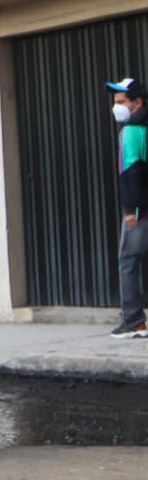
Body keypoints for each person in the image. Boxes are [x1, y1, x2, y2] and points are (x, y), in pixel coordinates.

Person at [106, 76, 148, 338]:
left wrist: (130, 211)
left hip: (140, 210)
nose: (116, 107)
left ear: (137, 103)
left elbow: (130, 172)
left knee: (128, 261)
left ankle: (133, 321)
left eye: (121, 101)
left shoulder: (131, 131)